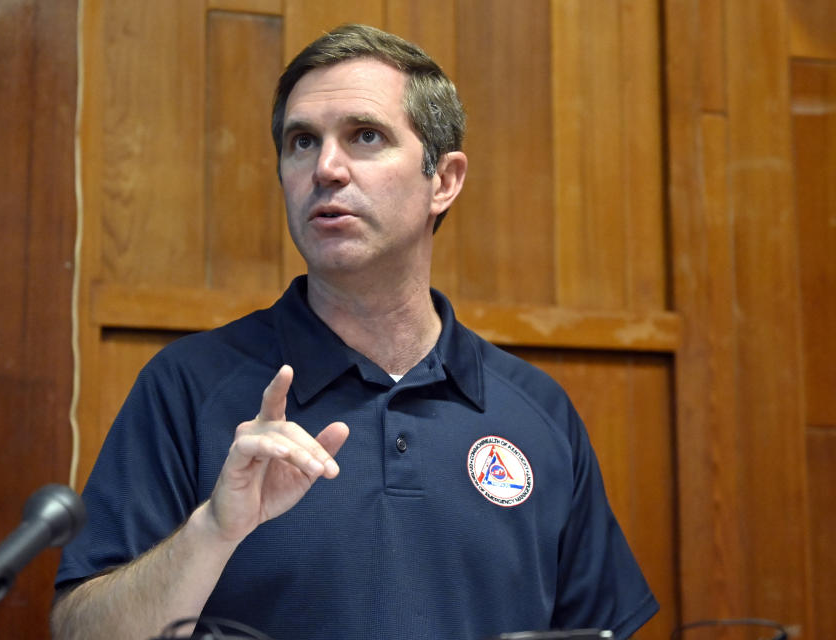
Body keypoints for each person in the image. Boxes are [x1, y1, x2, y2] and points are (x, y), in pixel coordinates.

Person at [51, 24, 659, 640]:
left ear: (443, 181)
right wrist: (213, 530)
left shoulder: (538, 411)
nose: (326, 168)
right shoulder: (187, 385)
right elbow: (80, 632)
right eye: (302, 142)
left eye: (364, 136)